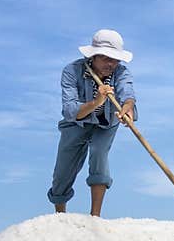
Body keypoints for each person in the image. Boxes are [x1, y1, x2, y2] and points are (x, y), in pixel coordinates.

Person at [47, 29, 137, 217]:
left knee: (98, 153)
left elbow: (127, 93)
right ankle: (60, 216)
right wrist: (96, 102)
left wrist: (127, 107)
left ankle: (95, 216)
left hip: (106, 124)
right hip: (77, 123)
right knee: (64, 168)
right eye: (105, 58)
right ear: (94, 56)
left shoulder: (121, 72)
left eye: (115, 59)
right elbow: (70, 111)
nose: (111, 64)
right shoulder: (72, 71)